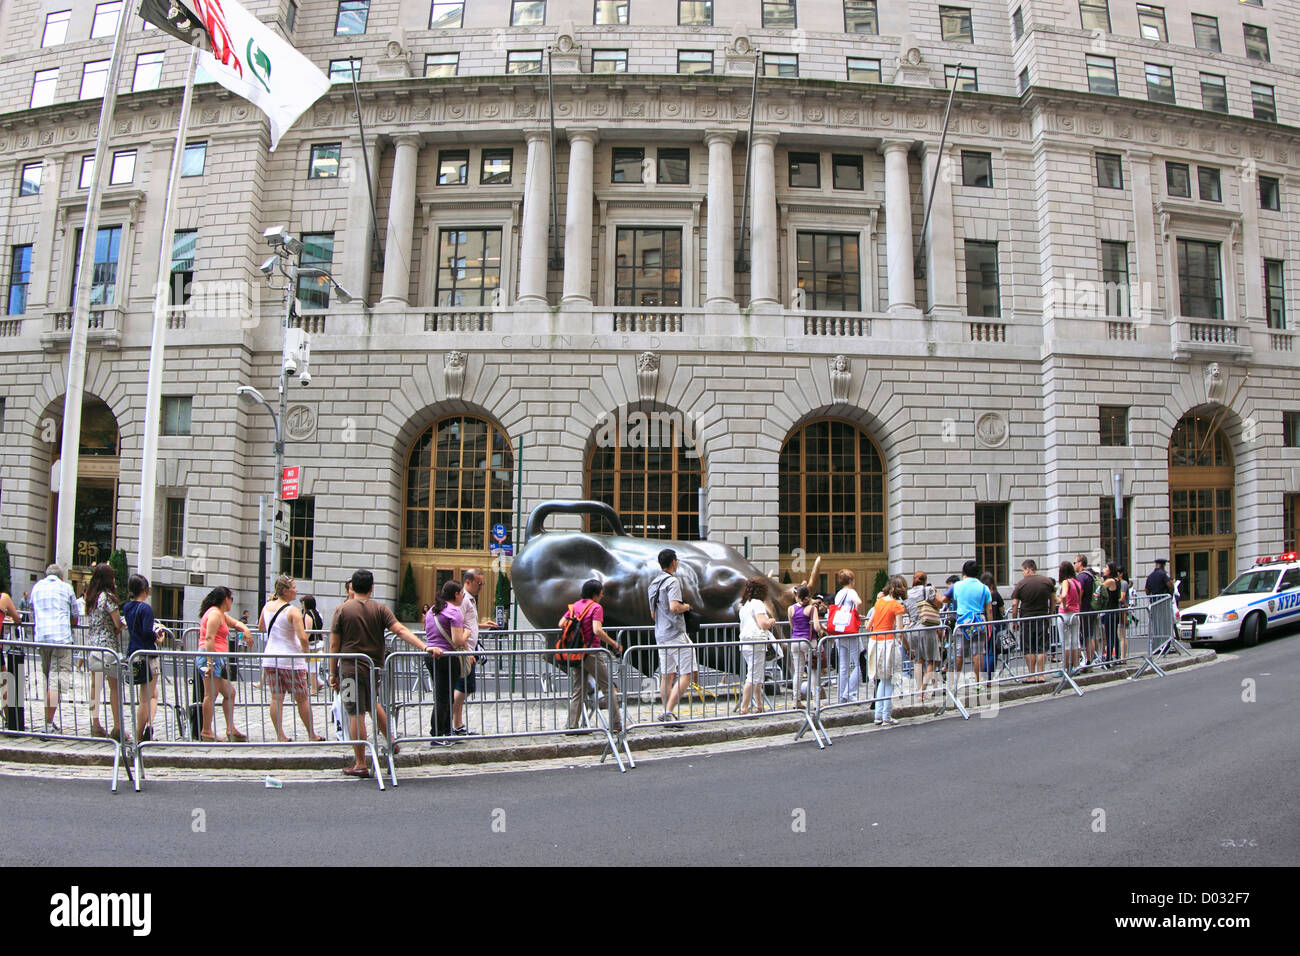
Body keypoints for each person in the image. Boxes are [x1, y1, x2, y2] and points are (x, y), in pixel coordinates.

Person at [329, 570, 433, 775]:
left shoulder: (342, 610)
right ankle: (392, 741)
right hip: (373, 669)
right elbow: (400, 630)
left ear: (352, 587)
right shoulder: (380, 609)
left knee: (355, 713)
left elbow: (334, 645)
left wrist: (333, 672)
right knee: (372, 704)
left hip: (350, 670)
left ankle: (360, 763)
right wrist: (424, 646)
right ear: (371, 588)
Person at [259, 575, 322, 743]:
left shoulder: (267, 606)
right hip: (291, 659)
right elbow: (302, 637)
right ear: (285, 591)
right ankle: (312, 734)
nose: (296, 590)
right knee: (302, 698)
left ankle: (280, 735)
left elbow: (261, 627)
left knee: (276, 697)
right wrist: (307, 654)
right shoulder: (292, 611)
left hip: (271, 657)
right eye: (294, 587)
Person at [564, 579, 623, 731]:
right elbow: (597, 630)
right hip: (591, 652)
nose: (602, 596)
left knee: (578, 690)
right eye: (601, 594)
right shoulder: (596, 607)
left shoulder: (574, 606)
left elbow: (561, 623)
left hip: (576, 652)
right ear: (595, 594)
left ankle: (571, 726)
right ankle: (616, 723)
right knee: (608, 687)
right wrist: (613, 643)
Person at [195, 585, 252, 742]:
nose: (232, 602)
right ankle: (206, 731)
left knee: (229, 693)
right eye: (231, 599)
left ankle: (229, 729)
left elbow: (235, 623)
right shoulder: (214, 614)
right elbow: (209, 638)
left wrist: (245, 629)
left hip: (215, 657)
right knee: (210, 694)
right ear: (225, 599)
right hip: (210, 657)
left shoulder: (219, 614)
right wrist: (210, 661)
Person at [121, 574, 173, 742]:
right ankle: (144, 730)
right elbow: (146, 631)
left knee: (147, 695)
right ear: (145, 590)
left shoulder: (127, 607)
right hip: (147, 654)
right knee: (148, 696)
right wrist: (157, 636)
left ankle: (144, 730)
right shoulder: (145, 609)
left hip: (134, 653)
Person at [648, 549, 696, 727]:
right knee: (687, 673)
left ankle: (665, 712)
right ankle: (668, 711)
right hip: (675, 633)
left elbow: (653, 614)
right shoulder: (673, 581)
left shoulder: (653, 584)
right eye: (677, 560)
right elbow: (675, 607)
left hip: (660, 634)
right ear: (673, 562)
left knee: (666, 676)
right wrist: (687, 607)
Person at [31, 564, 79, 735]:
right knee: (56, 682)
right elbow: (75, 616)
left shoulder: (37, 587)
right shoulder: (66, 588)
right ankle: (48, 724)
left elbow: (32, 612)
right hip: (61, 639)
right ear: (61, 576)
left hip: (42, 638)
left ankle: (48, 720)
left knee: (48, 680)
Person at [83, 563, 125, 741]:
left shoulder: (90, 597)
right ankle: (117, 727)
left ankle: (95, 723)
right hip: (108, 647)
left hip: (93, 645)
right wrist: (121, 626)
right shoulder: (108, 597)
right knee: (114, 687)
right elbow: (117, 623)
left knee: (95, 687)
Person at [452, 569, 497, 735]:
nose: (481, 587)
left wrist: (483, 625)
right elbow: (458, 625)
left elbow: (468, 623)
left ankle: (457, 724)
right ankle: (454, 723)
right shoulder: (463, 600)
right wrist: (466, 652)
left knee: (466, 687)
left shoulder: (469, 599)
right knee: (463, 687)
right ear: (468, 582)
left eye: (482, 583)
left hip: (469, 649)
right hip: (465, 651)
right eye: (479, 583)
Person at [865, 575, 913, 726]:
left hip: (875, 642)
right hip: (888, 643)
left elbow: (868, 626)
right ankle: (886, 716)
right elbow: (899, 631)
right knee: (889, 680)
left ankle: (878, 715)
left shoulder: (879, 602)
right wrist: (907, 646)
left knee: (881, 680)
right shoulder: (896, 606)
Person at [425, 580, 468, 745]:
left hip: (432, 655)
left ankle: (445, 730)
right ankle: (438, 733)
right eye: (462, 593)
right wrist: (467, 633)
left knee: (442, 695)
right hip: (447, 657)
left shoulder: (432, 611)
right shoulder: (454, 612)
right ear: (456, 594)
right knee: (444, 697)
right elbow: (457, 640)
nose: (463, 596)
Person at [1009, 559, 1057, 683]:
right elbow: (1053, 600)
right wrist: (1050, 614)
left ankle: (1031, 675)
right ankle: (1041, 674)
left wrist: (1014, 620)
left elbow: (1014, 605)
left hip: (1027, 619)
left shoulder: (1021, 584)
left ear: (1029, 569)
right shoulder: (1047, 582)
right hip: (1042, 618)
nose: (1023, 573)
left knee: (1028, 647)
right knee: (1042, 647)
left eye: (1023, 570)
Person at [947, 561, 992, 690]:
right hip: (978, 620)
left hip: (962, 621)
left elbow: (949, 599)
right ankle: (978, 682)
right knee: (978, 653)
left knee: (959, 653)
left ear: (964, 572)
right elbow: (989, 609)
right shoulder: (984, 587)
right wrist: (990, 624)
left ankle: (954, 683)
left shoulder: (957, 586)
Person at [736, 578, 776, 715]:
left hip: (746, 642)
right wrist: (771, 621)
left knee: (756, 675)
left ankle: (759, 705)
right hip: (756, 643)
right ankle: (744, 707)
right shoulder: (758, 604)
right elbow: (763, 624)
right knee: (753, 677)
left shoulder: (745, 605)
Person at [904, 572, 942, 699]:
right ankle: (922, 690)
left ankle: (919, 689)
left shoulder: (906, 594)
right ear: (925, 581)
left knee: (918, 661)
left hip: (913, 629)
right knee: (932, 660)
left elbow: (907, 611)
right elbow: (940, 604)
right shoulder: (928, 590)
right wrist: (935, 592)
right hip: (926, 627)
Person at [829, 569, 865, 704]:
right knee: (859, 664)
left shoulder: (839, 594)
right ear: (851, 580)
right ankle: (849, 693)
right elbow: (859, 602)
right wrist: (856, 614)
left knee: (843, 666)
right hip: (849, 632)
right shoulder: (851, 592)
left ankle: (841, 695)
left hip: (839, 631)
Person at [787, 586, 820, 709]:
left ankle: (796, 700)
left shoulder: (791, 609)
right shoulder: (811, 609)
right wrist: (822, 630)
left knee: (798, 672)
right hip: (808, 641)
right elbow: (816, 627)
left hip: (795, 640)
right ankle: (816, 702)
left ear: (797, 596)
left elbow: (792, 625)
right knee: (812, 671)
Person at [1057, 561, 1083, 673]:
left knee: (1065, 642)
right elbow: (1079, 599)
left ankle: (1066, 667)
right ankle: (1076, 666)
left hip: (1065, 613)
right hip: (1076, 613)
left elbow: (1063, 595)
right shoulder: (1077, 582)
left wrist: (1063, 603)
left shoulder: (1065, 582)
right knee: (1075, 641)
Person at [980, 571, 1005, 677]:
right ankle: (989, 674)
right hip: (995, 624)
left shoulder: (981, 594)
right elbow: (1002, 609)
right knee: (992, 651)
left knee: (984, 650)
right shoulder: (995, 594)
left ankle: (984, 674)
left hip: (983, 624)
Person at [1073, 556, 1097, 666]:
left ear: (1080, 563)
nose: (1074, 565)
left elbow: (1079, 593)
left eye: (1075, 562)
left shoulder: (1082, 577)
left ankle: (1087, 661)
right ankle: (1090, 660)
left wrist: (1076, 606)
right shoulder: (1092, 574)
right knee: (1090, 635)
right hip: (1091, 608)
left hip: (1084, 609)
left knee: (1086, 636)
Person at [300, 593, 324, 695]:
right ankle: (317, 684)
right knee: (312, 666)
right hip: (318, 643)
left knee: (311, 667)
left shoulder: (308, 614)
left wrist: (303, 642)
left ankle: (313, 689)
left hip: (312, 644)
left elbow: (308, 631)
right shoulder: (317, 613)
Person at [1100, 562, 1122, 665]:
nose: (1104, 569)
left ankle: (1109, 657)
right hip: (1115, 610)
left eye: (1106, 568)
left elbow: (1098, 589)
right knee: (1114, 635)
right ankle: (1117, 656)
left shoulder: (1109, 581)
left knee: (1109, 635)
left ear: (1110, 570)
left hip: (1110, 611)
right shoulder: (1117, 581)